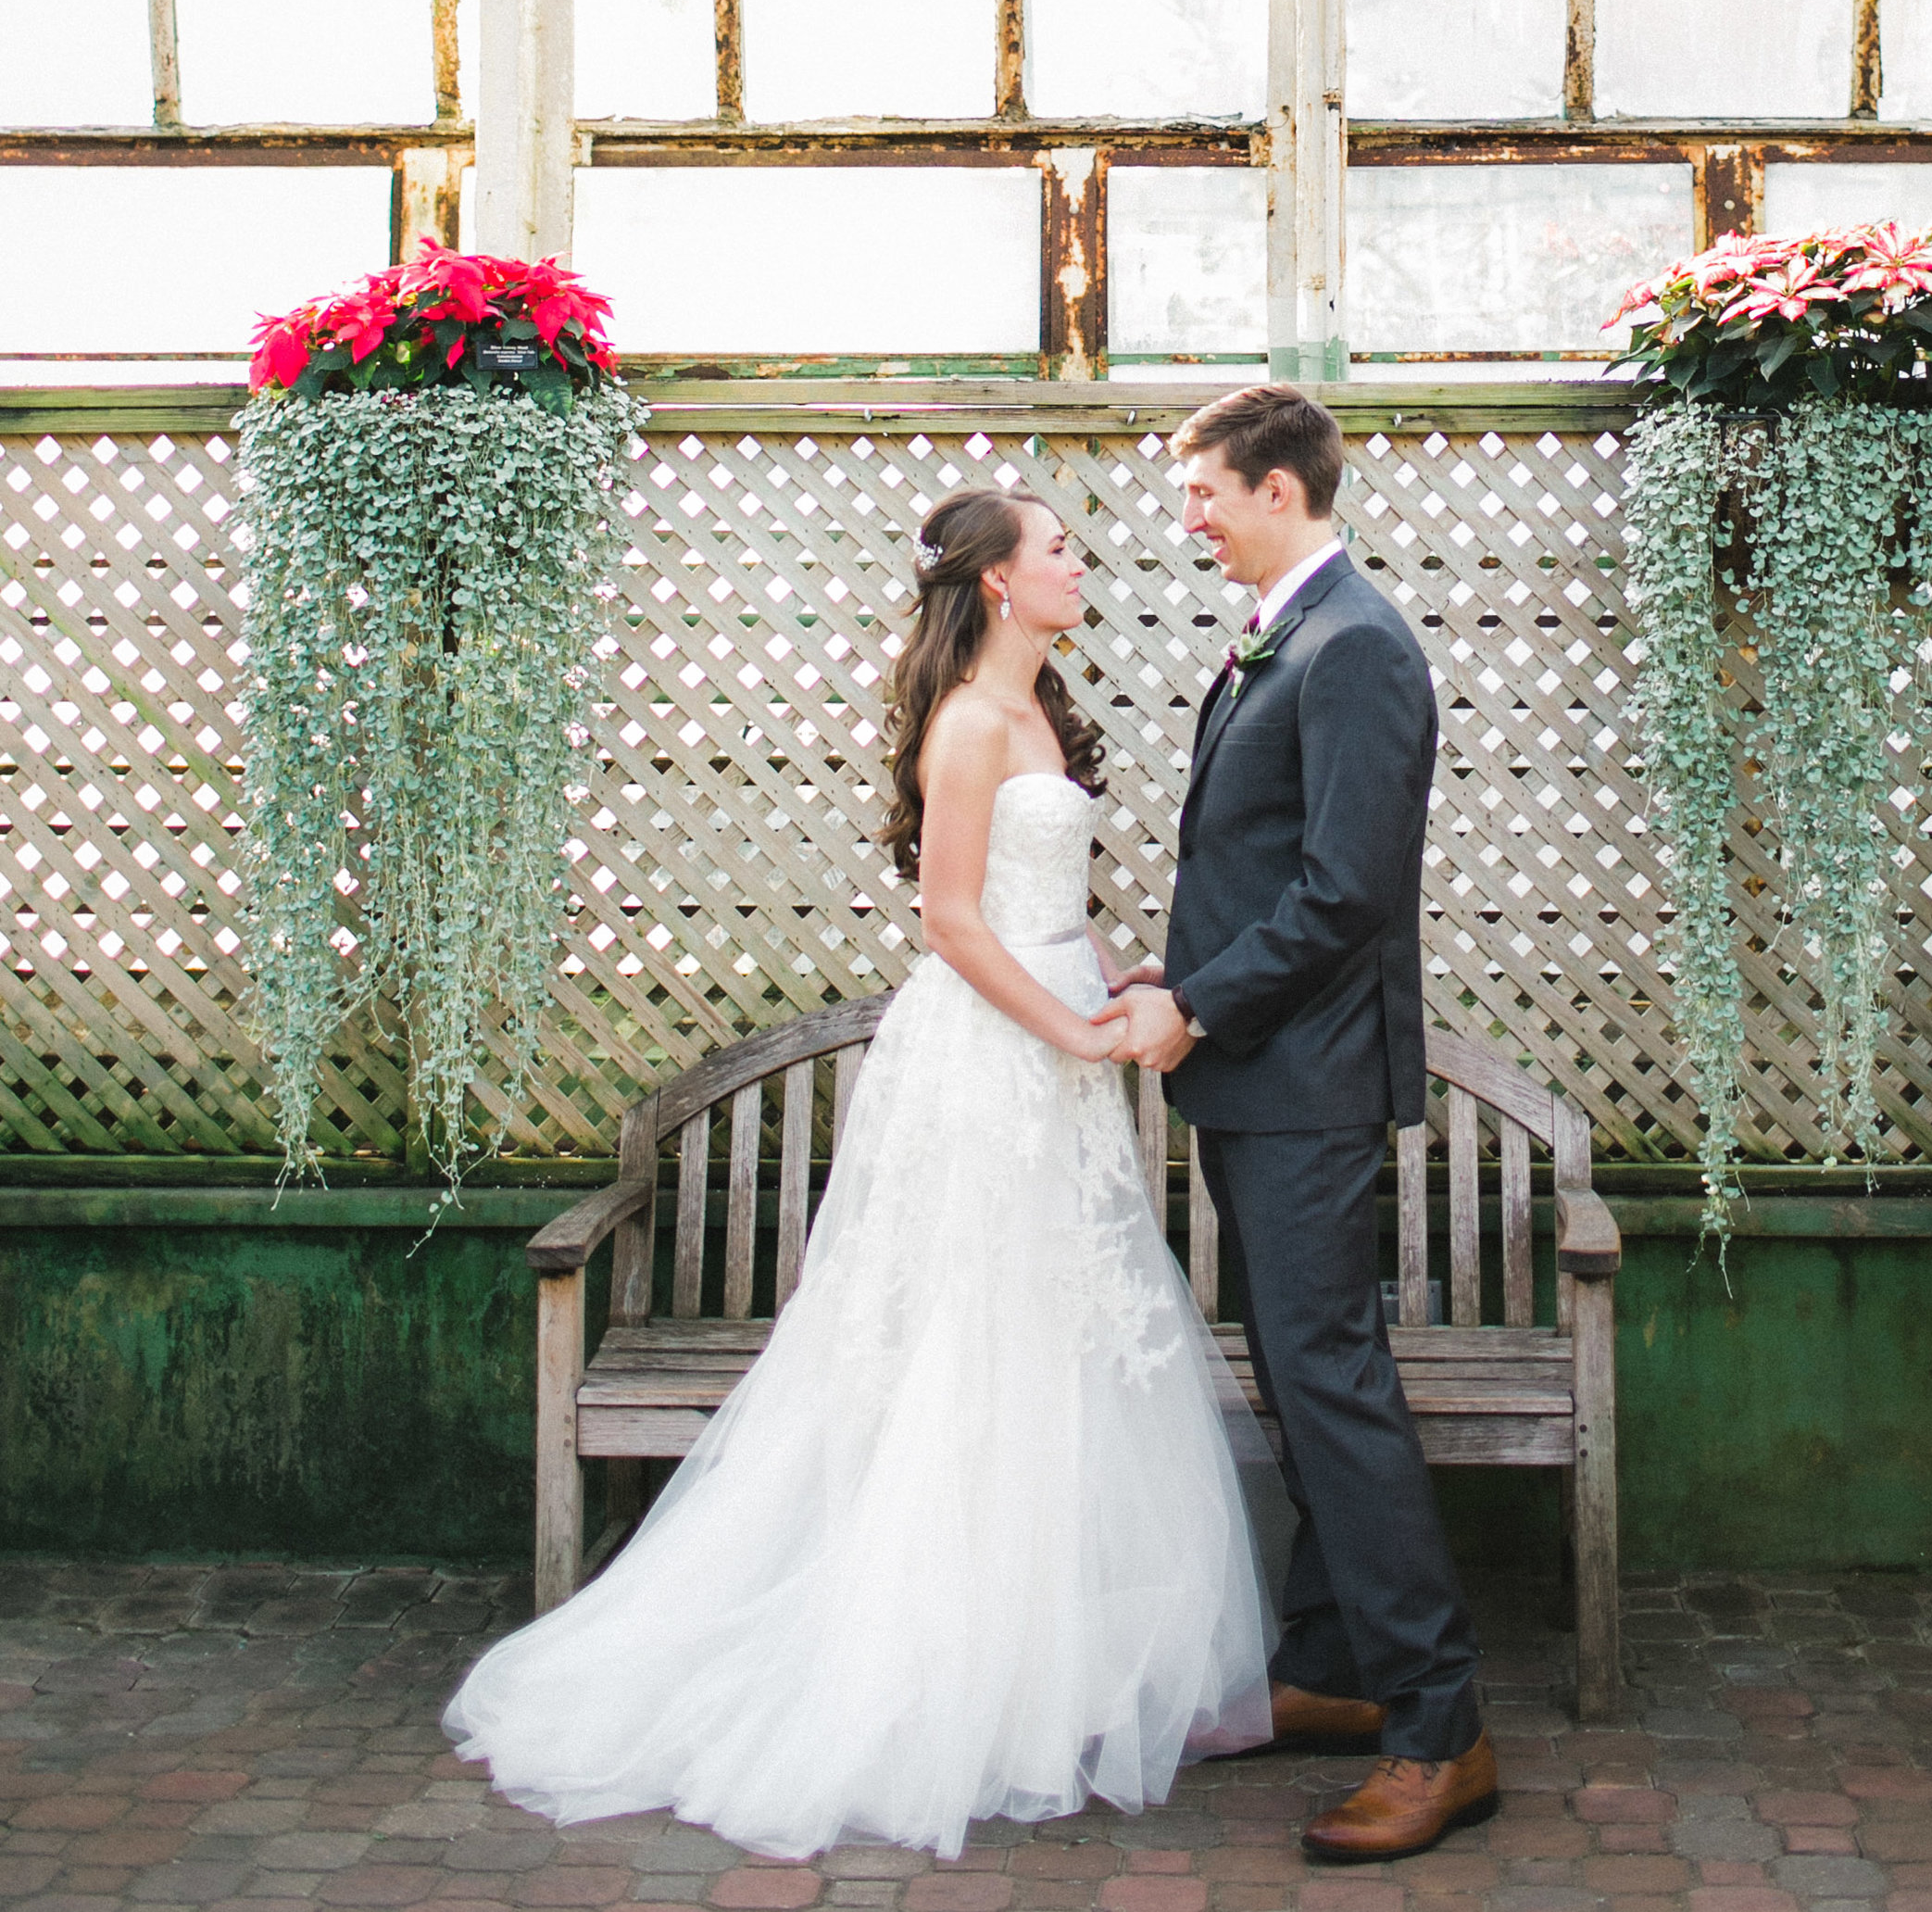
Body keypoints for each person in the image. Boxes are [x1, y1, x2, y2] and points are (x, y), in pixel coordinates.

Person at [443, 487, 1277, 1860]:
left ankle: (1040, 1660)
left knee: (1056, 1345)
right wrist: (1072, 1026)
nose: (1082, 562)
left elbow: (1034, 903)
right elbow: (952, 918)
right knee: (971, 1344)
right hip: (994, 1064)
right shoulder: (964, 721)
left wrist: (1109, 976)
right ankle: (941, 1668)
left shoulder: (1037, 710)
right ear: (1000, 581)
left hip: (1056, 1051)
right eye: (1059, 545)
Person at [1095, 384, 1496, 1867]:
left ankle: (1439, 1729)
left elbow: (1343, 895)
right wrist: (1177, 974)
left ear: (1277, 486)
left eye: (1203, 491)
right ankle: (1328, 1665)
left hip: (1307, 1089)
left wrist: (1196, 1010)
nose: (1187, 517)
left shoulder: (1359, 648)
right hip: (1261, 1076)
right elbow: (1260, 866)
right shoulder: (1293, 635)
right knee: (1296, 1376)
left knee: (1334, 1387)